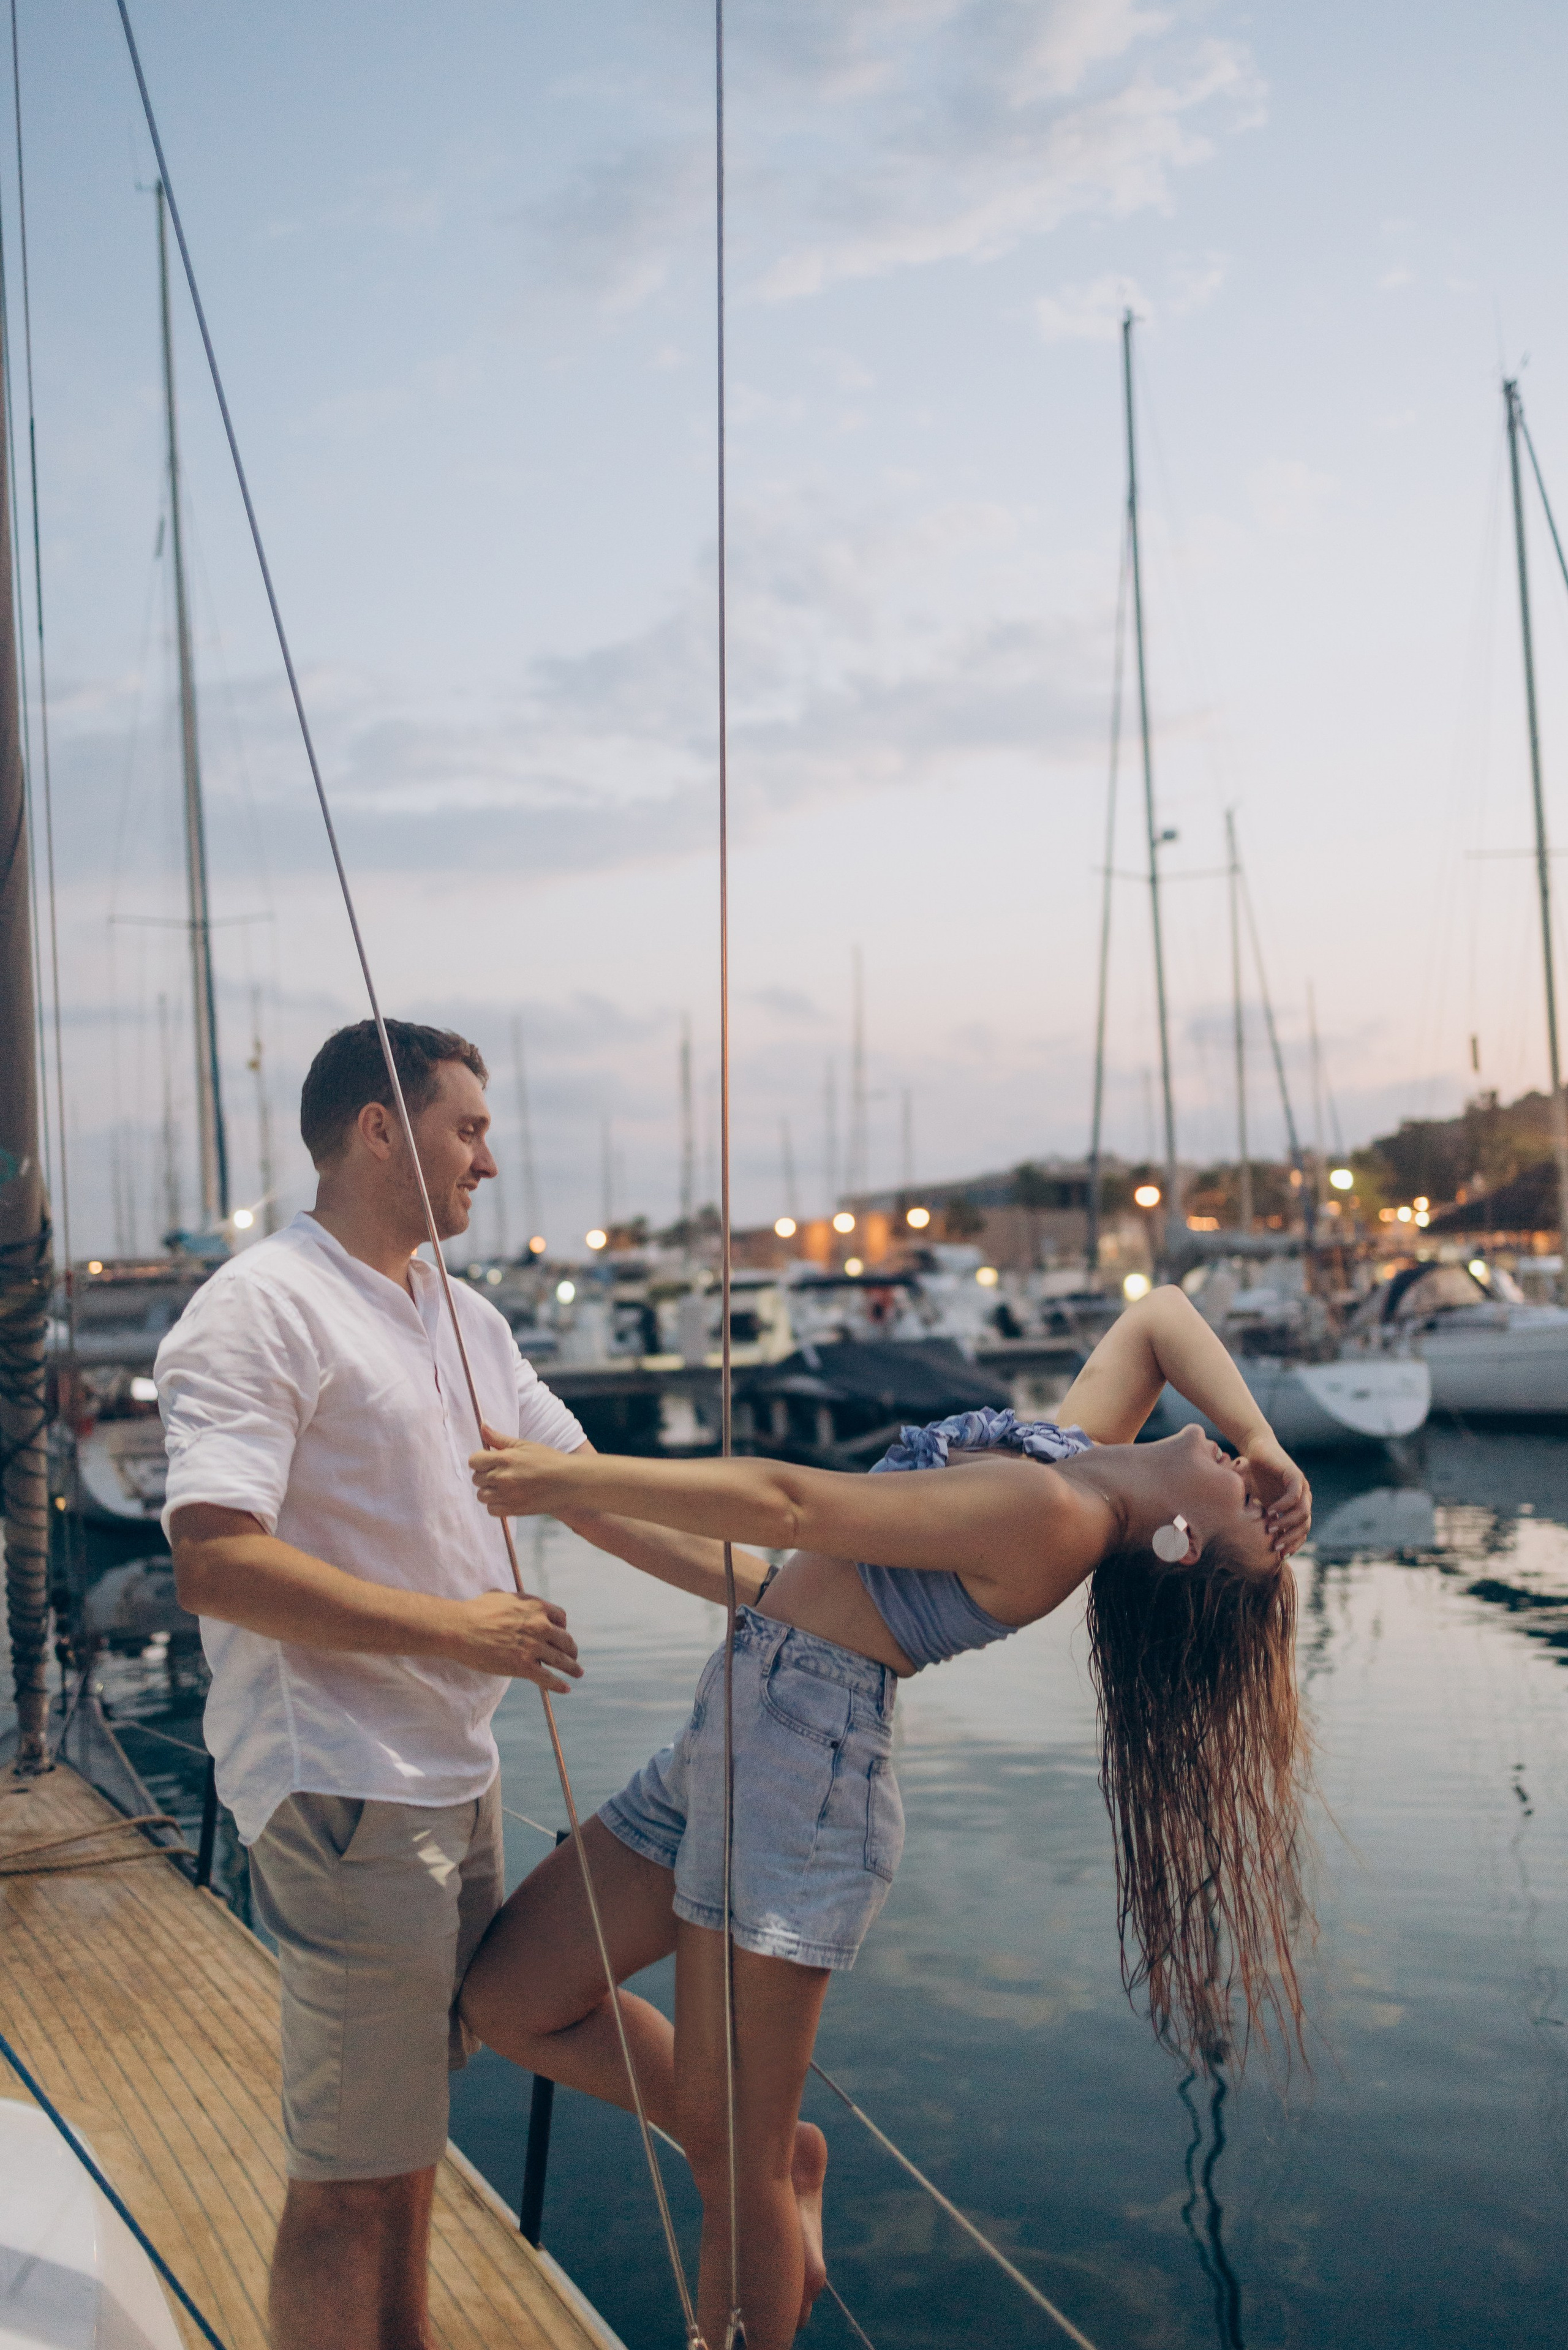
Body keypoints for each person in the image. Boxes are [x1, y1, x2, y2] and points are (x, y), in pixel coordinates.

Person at [459, 1282, 1316, 2350]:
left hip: (800, 1781)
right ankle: (771, 2155)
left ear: (1183, 1545)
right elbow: (1162, 1317)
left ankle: (762, 2191)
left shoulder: (1056, 1517)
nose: (1261, 1487)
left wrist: (564, 1482)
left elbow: (792, 1506)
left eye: (1259, 1518)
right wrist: (1266, 1437)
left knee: (736, 2178)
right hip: (730, 1730)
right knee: (508, 1999)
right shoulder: (1076, 1452)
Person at [157, 1019, 748, 2350]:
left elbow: (592, 1495)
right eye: (465, 1127)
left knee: (407, 2147)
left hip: (450, 1770)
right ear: (380, 1127)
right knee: (348, 2178)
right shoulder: (263, 1307)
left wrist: (776, 1595)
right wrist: (455, 1629)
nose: (489, 1156)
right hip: (344, 1784)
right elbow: (213, 1560)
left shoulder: (459, 1314)